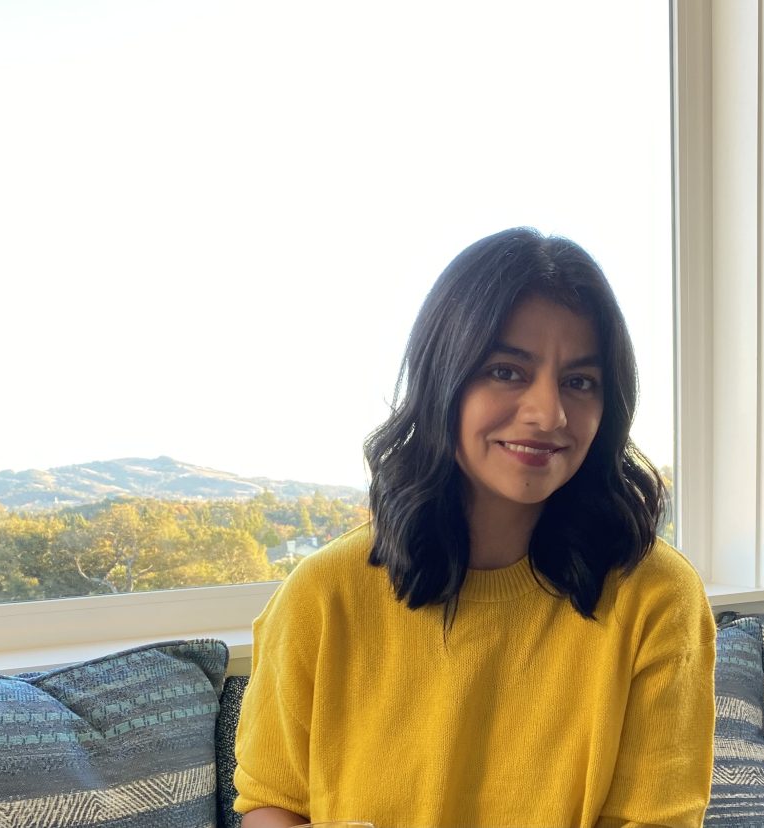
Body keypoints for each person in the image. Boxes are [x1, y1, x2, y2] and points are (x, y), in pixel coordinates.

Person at [233, 227, 716, 828]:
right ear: (442, 377)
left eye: (580, 381)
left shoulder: (656, 597)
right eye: (507, 371)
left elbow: (657, 819)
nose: (549, 413)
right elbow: (271, 801)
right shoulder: (321, 595)